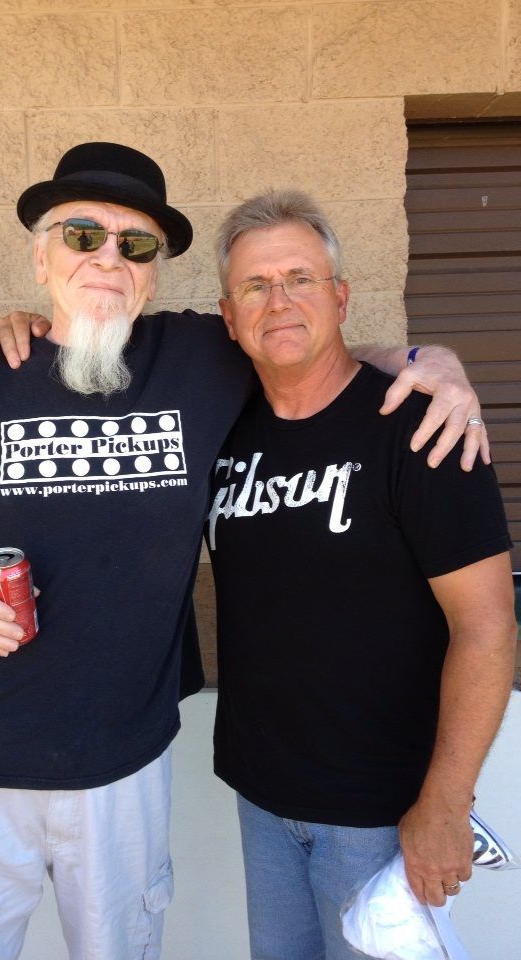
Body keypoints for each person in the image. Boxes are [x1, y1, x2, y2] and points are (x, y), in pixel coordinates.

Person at [0, 142, 483, 960]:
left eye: (135, 244)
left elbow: (306, 343)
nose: (107, 258)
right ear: (41, 258)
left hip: (122, 763)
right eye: (82, 235)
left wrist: (428, 361)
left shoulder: (198, 359)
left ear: (154, 275)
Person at [206, 189, 516, 960]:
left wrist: (445, 804)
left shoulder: (421, 428)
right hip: (262, 799)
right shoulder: (224, 427)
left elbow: (487, 627)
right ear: (228, 316)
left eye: (300, 278)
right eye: (255, 285)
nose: (279, 301)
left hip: (383, 812)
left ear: (340, 297)